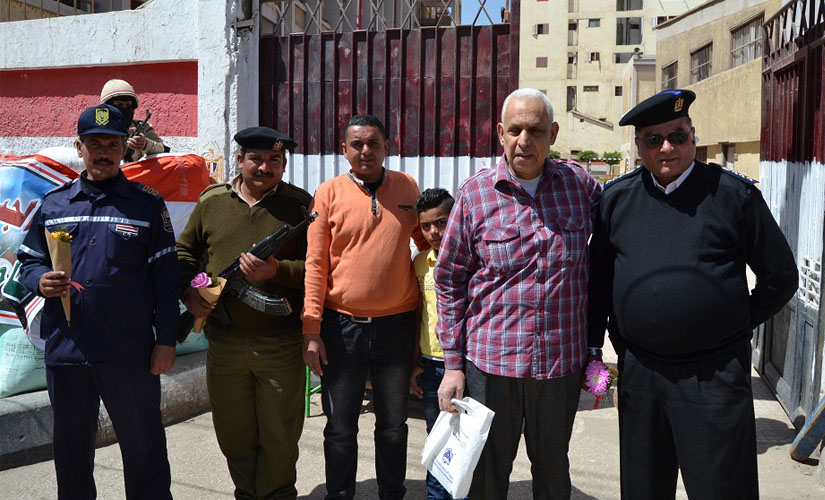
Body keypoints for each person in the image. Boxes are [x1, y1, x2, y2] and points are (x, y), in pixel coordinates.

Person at [587, 89, 798, 499]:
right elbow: (598, 283)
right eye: (654, 139)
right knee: (644, 489)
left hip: (713, 375)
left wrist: (734, 323)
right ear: (639, 145)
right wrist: (595, 350)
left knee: (722, 489)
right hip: (641, 375)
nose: (667, 148)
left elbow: (781, 277)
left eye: (677, 136)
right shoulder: (616, 200)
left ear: (693, 136)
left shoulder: (734, 196)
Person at [435, 88, 602, 499]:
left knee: (553, 472)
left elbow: (624, 232)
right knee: (486, 477)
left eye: (536, 131)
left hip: (559, 366)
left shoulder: (580, 187)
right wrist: (453, 365)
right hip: (491, 367)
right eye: (515, 130)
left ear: (553, 134)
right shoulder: (475, 195)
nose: (524, 140)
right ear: (500, 133)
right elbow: (450, 279)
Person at [17, 104, 179, 499]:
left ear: (125, 148)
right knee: (71, 451)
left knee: (143, 446)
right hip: (68, 348)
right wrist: (40, 280)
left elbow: (166, 279)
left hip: (129, 352)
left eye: (111, 144)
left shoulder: (146, 204)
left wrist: (166, 341)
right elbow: (28, 262)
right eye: (94, 144)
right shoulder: (54, 204)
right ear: (79, 147)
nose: (103, 152)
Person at [176, 126, 311, 500]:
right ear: (239, 160)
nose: (265, 167)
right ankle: (247, 494)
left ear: (283, 165)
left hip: (279, 344)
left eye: (274, 160)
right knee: (234, 434)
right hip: (224, 343)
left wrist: (276, 271)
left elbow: (318, 268)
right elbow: (185, 253)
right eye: (256, 159)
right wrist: (189, 293)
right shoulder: (212, 201)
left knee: (280, 436)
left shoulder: (300, 205)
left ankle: (277, 495)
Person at [302, 114, 429, 500]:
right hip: (342, 328)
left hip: (396, 327)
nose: (366, 151)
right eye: (357, 144)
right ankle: (340, 494)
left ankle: (392, 493)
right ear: (344, 150)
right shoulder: (328, 193)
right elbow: (315, 263)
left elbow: (427, 241)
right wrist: (311, 329)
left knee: (393, 424)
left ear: (387, 147)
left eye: (374, 143)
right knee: (340, 427)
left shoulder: (407, 187)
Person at [409, 188, 462, 500]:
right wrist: (415, 362)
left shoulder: (472, 258)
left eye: (441, 223)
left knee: (465, 439)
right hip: (431, 364)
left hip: (466, 365)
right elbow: (419, 314)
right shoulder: (420, 263)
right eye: (426, 225)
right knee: (437, 435)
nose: (433, 232)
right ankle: (436, 496)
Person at [100, 78, 166, 161]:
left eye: (128, 104)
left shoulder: (142, 127)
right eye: (119, 105)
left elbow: (161, 148)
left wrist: (145, 144)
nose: (125, 108)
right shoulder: (97, 128)